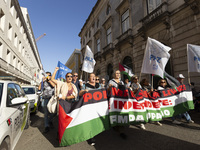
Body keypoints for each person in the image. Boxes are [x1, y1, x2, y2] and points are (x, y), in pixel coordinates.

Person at [79, 73, 101, 146]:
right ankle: (91, 136)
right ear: (89, 78)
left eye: (94, 76)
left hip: (97, 106)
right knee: (90, 121)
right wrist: (84, 91)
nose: (93, 78)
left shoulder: (99, 85)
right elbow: (80, 94)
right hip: (89, 107)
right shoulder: (85, 86)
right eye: (92, 77)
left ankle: (96, 132)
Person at [107, 70, 127, 139]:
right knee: (115, 112)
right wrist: (109, 87)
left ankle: (122, 131)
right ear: (114, 75)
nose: (118, 74)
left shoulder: (122, 82)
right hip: (114, 100)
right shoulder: (111, 81)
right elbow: (108, 90)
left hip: (121, 100)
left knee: (120, 113)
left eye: (119, 73)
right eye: (116, 73)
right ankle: (115, 125)